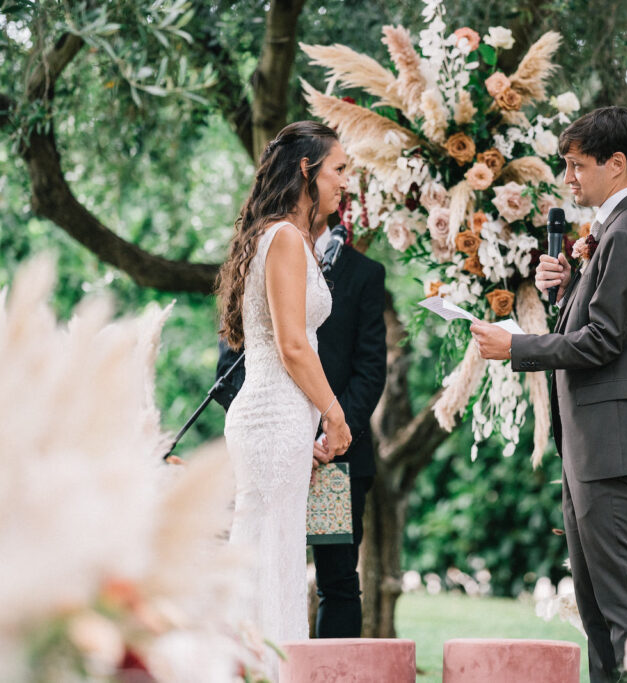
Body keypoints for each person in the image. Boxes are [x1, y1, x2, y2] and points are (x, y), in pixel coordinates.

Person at [471, 106, 627, 683]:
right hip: (591, 442)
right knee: (594, 612)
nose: (568, 178)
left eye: (577, 165)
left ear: (617, 163)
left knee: (623, 610)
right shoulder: (612, 231)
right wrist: (566, 289)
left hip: (609, 445)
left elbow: (604, 342)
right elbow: (597, 324)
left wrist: (518, 346)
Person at [215, 121, 353, 664]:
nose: (345, 182)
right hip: (272, 419)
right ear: (307, 169)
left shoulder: (282, 237)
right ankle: (259, 669)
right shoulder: (286, 239)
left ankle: (258, 667)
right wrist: (335, 416)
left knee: (272, 555)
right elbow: (294, 345)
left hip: (281, 419)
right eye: (339, 169)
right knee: (268, 557)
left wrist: (313, 420)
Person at [216, 222, 388, 639]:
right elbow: (230, 366)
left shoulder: (364, 274)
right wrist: (286, 430)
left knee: (339, 584)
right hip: (272, 442)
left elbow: (370, 369)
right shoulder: (256, 255)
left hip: (337, 461)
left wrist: (328, 433)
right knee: (260, 565)